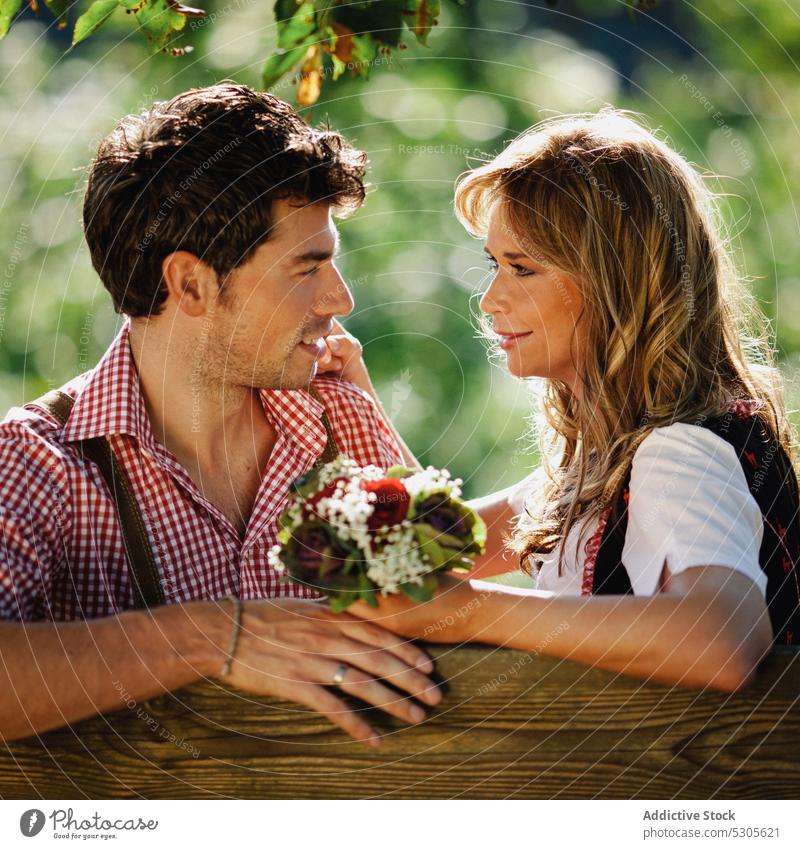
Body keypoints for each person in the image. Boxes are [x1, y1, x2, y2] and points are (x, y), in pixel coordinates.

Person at [0, 83, 442, 748]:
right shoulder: (39, 461)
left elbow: (453, 621)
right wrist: (214, 634)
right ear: (191, 285)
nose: (341, 298)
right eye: (307, 267)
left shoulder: (343, 422)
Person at [332, 109, 800, 691]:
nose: (490, 300)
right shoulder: (600, 468)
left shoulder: (679, 452)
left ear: (615, 280)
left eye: (523, 269)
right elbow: (433, 550)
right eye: (494, 265)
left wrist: (476, 612)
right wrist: (356, 402)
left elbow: (724, 639)